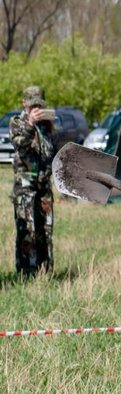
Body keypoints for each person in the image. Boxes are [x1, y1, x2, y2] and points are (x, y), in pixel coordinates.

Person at [9, 86, 56, 276]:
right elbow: (19, 144)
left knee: (45, 230)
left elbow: (53, 152)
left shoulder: (46, 126)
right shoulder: (17, 122)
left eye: (38, 105)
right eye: (32, 105)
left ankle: (44, 270)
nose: (35, 109)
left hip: (44, 187)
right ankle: (26, 273)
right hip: (25, 188)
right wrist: (30, 123)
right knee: (27, 231)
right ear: (24, 104)